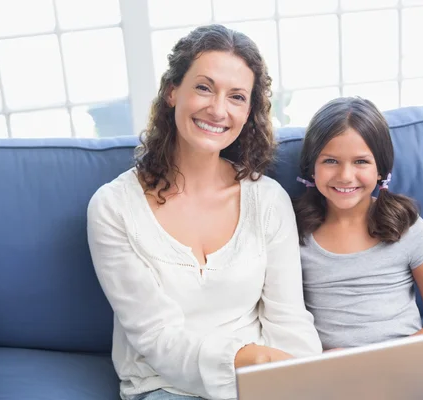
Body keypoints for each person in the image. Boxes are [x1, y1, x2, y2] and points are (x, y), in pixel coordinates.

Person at [87, 25, 322, 400]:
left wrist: (301, 378)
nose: (217, 109)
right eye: (203, 87)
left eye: (237, 97)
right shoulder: (113, 207)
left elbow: (289, 319)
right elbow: (158, 338)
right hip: (165, 386)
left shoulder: (268, 200)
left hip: (261, 382)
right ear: (172, 91)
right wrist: (250, 359)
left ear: (249, 112)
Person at [294, 97, 423, 351]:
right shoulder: (293, 231)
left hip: (405, 365)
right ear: (311, 168)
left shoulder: (407, 227)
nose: (345, 176)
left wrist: (392, 357)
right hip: (335, 376)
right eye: (330, 161)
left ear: (380, 170)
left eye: (361, 161)